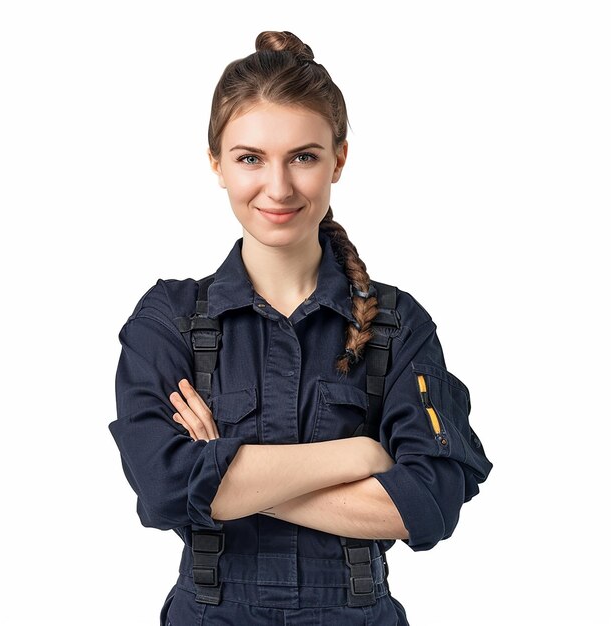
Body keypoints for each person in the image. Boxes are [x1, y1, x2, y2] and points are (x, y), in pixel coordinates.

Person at [108, 30, 493, 626]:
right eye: (250, 158)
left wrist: (223, 474)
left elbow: (429, 504)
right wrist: (359, 454)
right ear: (216, 162)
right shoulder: (168, 321)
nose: (279, 187)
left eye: (304, 157)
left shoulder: (398, 325)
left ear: (339, 158)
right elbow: (161, 488)